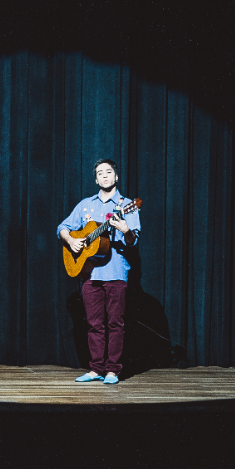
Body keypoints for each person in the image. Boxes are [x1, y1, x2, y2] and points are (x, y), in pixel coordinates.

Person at [58, 159, 141, 384]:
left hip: (116, 273)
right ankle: (96, 369)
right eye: (100, 173)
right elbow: (62, 227)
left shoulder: (127, 205)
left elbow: (132, 240)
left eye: (109, 172)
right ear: (96, 179)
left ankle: (112, 371)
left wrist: (125, 229)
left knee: (115, 324)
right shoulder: (86, 205)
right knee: (94, 324)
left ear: (116, 176)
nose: (105, 176)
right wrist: (71, 241)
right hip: (90, 274)